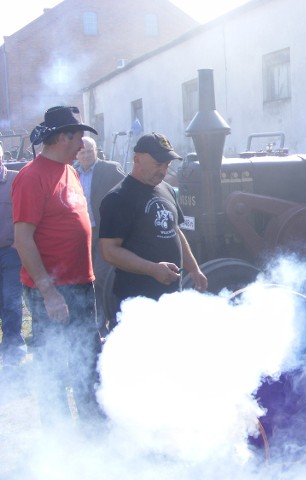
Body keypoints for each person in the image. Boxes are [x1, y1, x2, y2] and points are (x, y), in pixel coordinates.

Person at [12, 106, 105, 427]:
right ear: (62, 136)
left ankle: (92, 435)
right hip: (51, 291)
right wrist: (49, 293)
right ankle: (59, 441)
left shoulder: (71, 172)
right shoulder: (31, 177)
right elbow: (23, 239)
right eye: (78, 136)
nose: (82, 144)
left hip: (81, 284)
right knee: (55, 367)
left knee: (88, 362)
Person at [99, 132, 207, 322]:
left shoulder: (166, 189)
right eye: (158, 164)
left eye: (167, 165)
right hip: (137, 304)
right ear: (137, 159)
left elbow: (175, 230)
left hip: (171, 299)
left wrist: (194, 269)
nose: (163, 170)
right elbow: (109, 251)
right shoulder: (118, 198)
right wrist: (153, 269)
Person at [75, 136, 125, 336]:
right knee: (89, 277)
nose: (86, 155)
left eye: (90, 151)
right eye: (82, 152)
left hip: (105, 232)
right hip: (82, 233)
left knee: (103, 274)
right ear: (77, 154)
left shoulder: (110, 169)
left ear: (96, 151)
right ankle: (98, 321)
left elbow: (127, 191)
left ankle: (113, 317)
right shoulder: (71, 172)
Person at [0, 142, 26, 367]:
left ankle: (12, 350)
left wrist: (20, 243)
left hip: (10, 252)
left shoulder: (15, 180)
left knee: (11, 300)